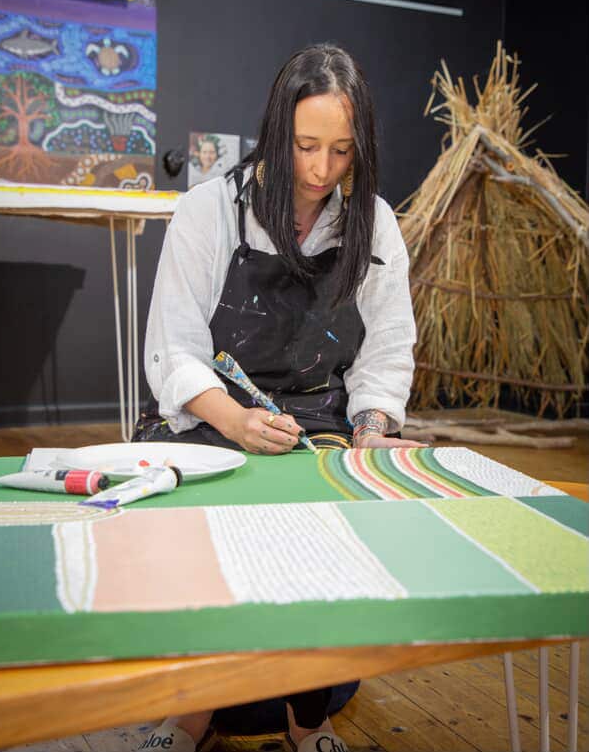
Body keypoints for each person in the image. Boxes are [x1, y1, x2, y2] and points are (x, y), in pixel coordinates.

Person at [133, 44, 421, 752]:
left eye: (341, 151)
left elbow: (385, 350)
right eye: (305, 146)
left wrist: (374, 424)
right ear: (276, 132)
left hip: (316, 417)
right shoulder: (209, 210)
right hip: (210, 414)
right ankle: (190, 712)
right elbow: (173, 348)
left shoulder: (373, 223)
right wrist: (235, 418)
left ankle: (307, 714)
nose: (321, 170)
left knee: (323, 524)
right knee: (196, 529)